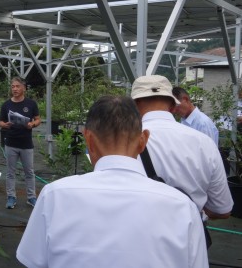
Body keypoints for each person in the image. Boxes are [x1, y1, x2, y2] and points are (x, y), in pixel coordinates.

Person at [17, 96, 208, 268]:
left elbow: (33, 260)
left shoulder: (54, 196)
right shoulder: (183, 207)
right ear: (143, 141)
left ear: (88, 139)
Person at [131, 75, 233, 221]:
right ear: (173, 107)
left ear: (133, 106)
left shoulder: (126, 142)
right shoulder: (204, 143)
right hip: (191, 236)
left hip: (142, 232)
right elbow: (222, 210)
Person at [0, 77, 41, 209]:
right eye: (13, 86)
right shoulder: (6, 105)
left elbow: (38, 119)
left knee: (29, 172)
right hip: (10, 142)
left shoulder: (31, 104)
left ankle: (31, 197)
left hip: (26, 143)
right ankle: (11, 197)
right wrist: (4, 125)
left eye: (17, 86)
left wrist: (32, 124)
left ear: (24, 88)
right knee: (10, 172)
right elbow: (0, 121)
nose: (15, 89)